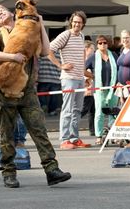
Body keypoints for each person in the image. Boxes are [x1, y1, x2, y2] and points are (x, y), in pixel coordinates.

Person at [0, 4, 71, 188]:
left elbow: (46, 51)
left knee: (39, 129)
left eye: (2, 10)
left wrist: (40, 24)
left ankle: (52, 170)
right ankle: (8, 172)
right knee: (7, 134)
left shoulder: (28, 29)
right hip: (6, 90)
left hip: (28, 89)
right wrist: (12, 57)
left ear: (12, 13)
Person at [48, 11, 91, 149]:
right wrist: (60, 65)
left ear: (83, 24)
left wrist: (85, 76)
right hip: (68, 78)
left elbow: (81, 57)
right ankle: (64, 139)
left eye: (79, 22)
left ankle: (74, 137)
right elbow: (48, 49)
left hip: (79, 78)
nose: (77, 24)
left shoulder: (81, 36)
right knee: (67, 109)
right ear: (71, 22)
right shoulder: (65, 35)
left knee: (77, 109)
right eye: (75, 22)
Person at [85, 35, 118, 145]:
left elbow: (119, 68)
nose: (102, 45)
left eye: (104, 43)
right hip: (99, 89)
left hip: (113, 88)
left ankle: (112, 135)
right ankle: (99, 135)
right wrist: (92, 76)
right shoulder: (94, 57)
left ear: (108, 44)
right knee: (99, 113)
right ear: (97, 44)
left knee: (113, 112)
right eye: (100, 43)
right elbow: (82, 69)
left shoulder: (113, 55)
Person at [37, 52, 61, 116]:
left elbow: (37, 64)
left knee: (41, 93)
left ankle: (43, 105)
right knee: (54, 96)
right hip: (55, 78)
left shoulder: (42, 53)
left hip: (43, 77)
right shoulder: (59, 54)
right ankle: (52, 110)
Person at [81, 40, 96, 136]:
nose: (94, 51)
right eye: (92, 49)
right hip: (87, 88)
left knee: (93, 110)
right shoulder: (84, 61)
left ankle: (92, 129)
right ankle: (72, 124)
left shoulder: (90, 60)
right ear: (86, 49)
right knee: (84, 109)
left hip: (92, 88)